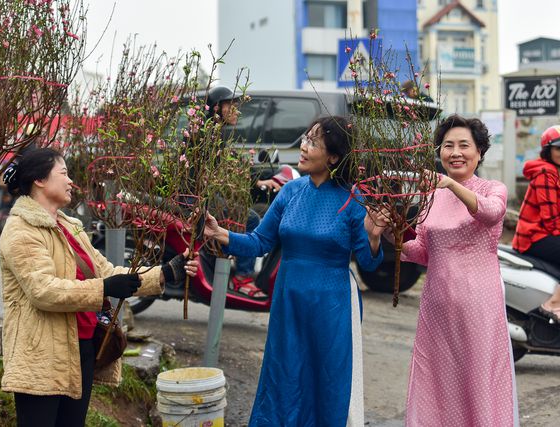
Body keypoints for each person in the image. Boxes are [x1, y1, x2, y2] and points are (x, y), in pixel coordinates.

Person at [203, 116, 387, 425]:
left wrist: (374, 236)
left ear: (334, 157)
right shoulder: (291, 192)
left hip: (333, 305)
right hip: (289, 302)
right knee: (284, 375)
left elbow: (368, 263)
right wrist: (222, 235)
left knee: (327, 382)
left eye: (312, 142)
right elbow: (259, 241)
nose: (302, 146)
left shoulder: (354, 200)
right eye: (304, 138)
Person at [0, 148, 198, 426]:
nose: (71, 182)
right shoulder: (21, 230)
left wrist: (164, 273)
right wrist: (103, 288)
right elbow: (44, 291)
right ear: (40, 180)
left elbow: (106, 271)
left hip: (81, 347)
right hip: (42, 355)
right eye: (64, 173)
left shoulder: (68, 226)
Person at [395, 115, 518, 426]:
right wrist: (393, 234)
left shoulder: (493, 188)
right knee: (434, 379)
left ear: (479, 152)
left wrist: (450, 184)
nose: (455, 152)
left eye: (464, 145)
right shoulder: (431, 196)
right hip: (436, 305)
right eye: (448, 146)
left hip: (478, 305)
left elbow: (490, 214)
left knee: (476, 380)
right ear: (440, 152)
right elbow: (423, 252)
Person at [206, 85, 280, 299]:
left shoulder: (214, 134)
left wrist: (256, 182)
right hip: (198, 196)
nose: (237, 111)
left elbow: (230, 166)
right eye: (232, 106)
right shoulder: (207, 135)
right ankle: (242, 276)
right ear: (218, 108)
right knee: (251, 219)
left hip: (205, 193)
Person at [513, 125, 560, 322]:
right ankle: (553, 304)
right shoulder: (545, 173)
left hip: (545, 233)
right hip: (533, 236)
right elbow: (551, 219)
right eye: (558, 148)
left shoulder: (556, 172)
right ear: (548, 151)